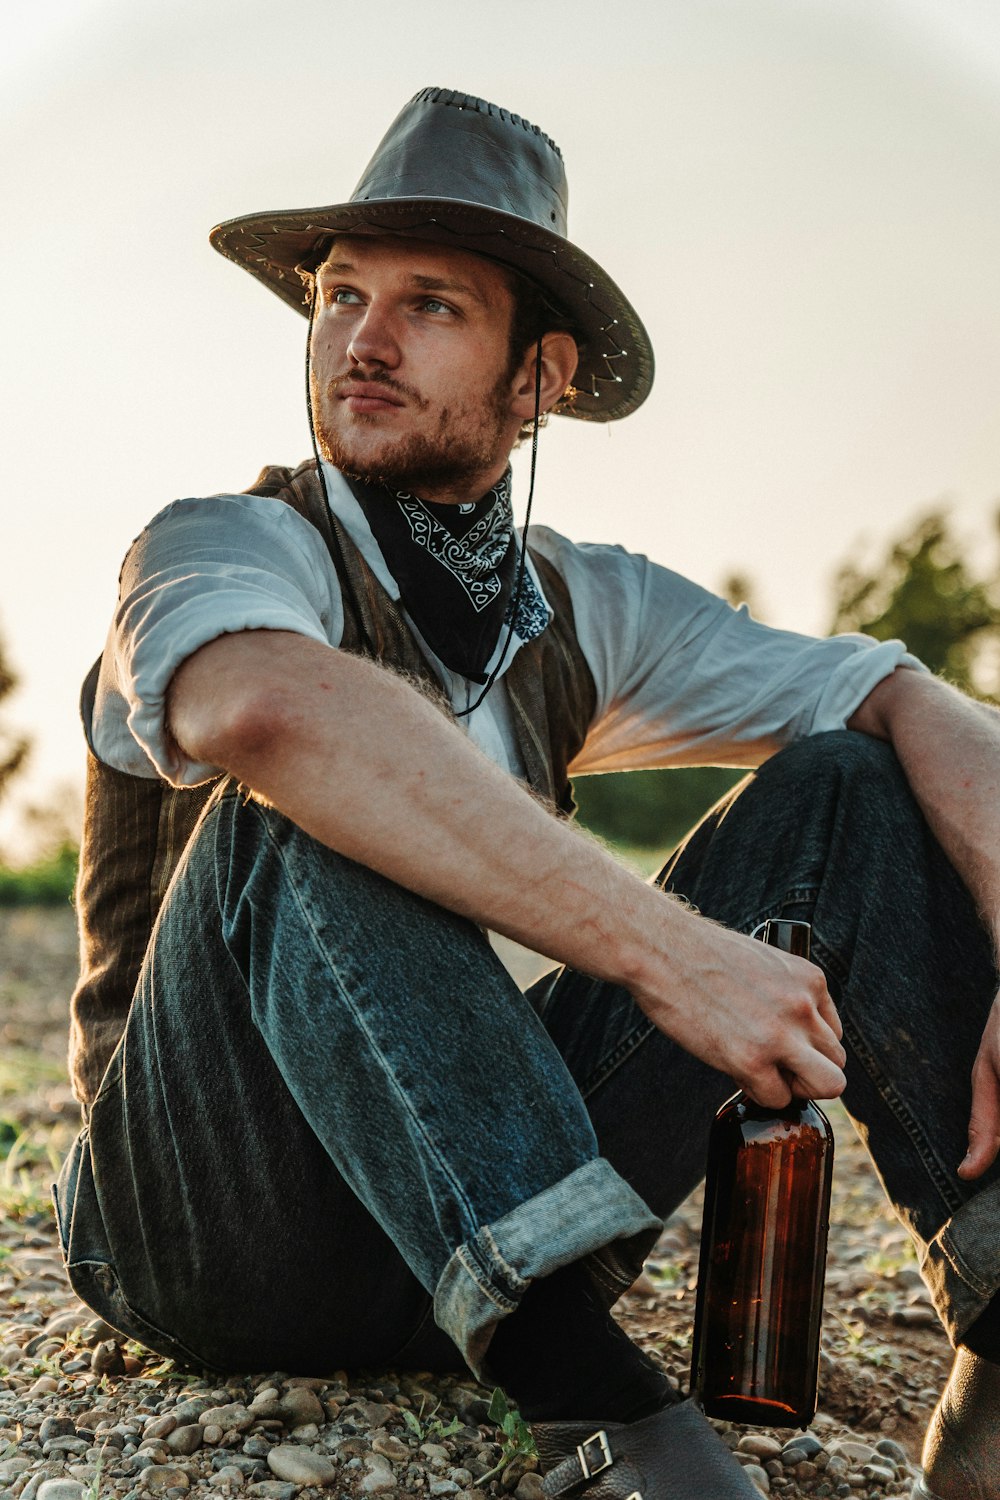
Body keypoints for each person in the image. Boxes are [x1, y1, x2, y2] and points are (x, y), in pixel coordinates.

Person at [55, 88, 1000, 1500]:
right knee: (305, 785)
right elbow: (258, 711)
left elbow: (911, 694)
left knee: (853, 785)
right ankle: (603, 1413)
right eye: (340, 296)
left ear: (540, 379)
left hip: (458, 1210)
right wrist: (678, 956)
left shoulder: (577, 604)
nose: (361, 341)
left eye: (428, 305)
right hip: (207, 1227)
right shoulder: (222, 546)